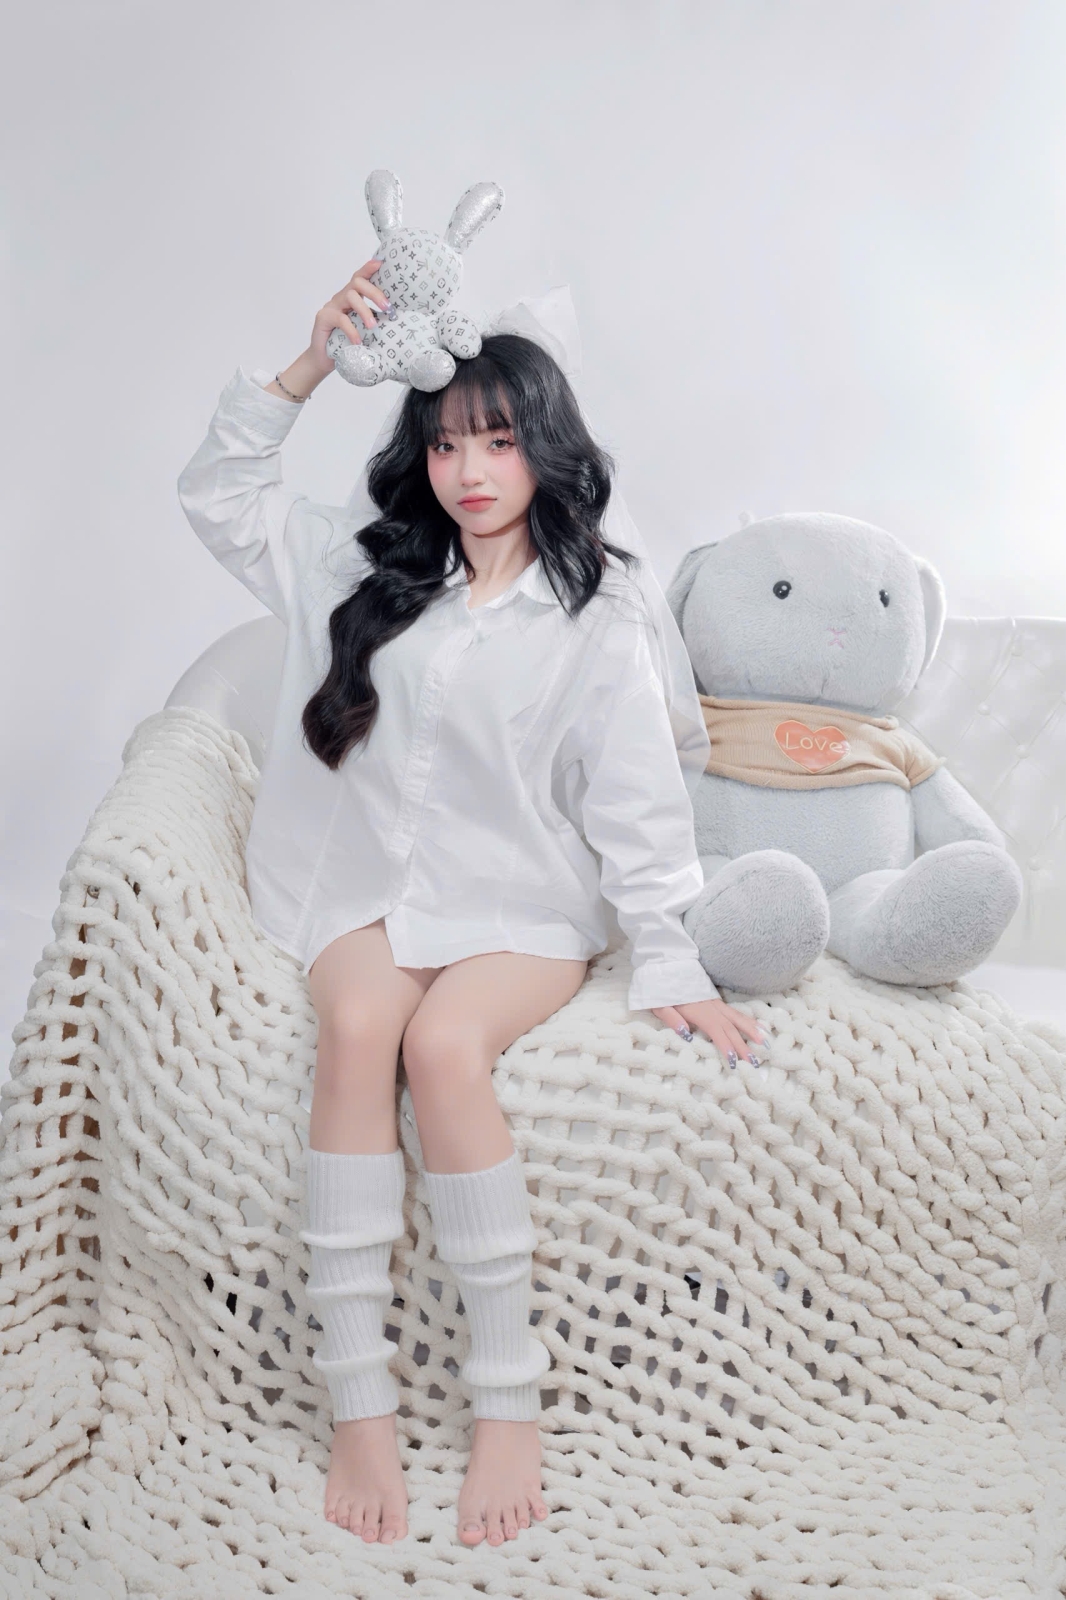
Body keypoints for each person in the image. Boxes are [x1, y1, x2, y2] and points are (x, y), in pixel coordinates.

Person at [176, 260, 768, 1552]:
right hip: (366, 891)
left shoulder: (599, 612)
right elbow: (218, 495)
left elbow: (633, 801)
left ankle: (508, 1401)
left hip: (518, 902)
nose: (468, 470)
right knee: (357, 1030)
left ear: (543, 445)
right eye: (445, 444)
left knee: (444, 1046)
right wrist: (309, 361)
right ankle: (358, 1402)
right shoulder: (365, 566)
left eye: (497, 440)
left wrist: (669, 955)